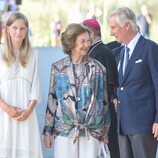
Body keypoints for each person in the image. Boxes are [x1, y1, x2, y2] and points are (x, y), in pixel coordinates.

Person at [43, 23, 110, 158]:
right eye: (83, 41)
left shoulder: (98, 68)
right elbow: (52, 100)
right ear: (71, 42)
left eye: (88, 40)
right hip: (64, 130)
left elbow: (104, 101)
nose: (87, 44)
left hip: (91, 131)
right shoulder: (58, 68)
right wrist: (48, 132)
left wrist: (105, 131)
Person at [108, 7, 158, 158]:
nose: (111, 32)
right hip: (122, 126)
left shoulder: (150, 49)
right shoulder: (119, 53)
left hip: (144, 127)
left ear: (127, 25)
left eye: (113, 27)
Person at [0, 12, 43, 158]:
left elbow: (36, 86)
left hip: (26, 112)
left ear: (27, 30)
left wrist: (29, 110)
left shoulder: (33, 53)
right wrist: (7, 108)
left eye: (22, 28)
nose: (18, 32)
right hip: (3, 114)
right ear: (7, 29)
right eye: (15, 28)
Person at [82, 18, 120, 158]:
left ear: (90, 33)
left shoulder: (99, 52)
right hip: (99, 111)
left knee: (108, 151)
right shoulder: (97, 50)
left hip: (102, 113)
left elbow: (105, 87)